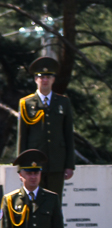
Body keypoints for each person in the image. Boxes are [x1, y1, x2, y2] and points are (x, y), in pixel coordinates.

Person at [16, 57, 75, 200]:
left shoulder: (63, 102)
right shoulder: (26, 103)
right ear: (36, 79)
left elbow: (68, 134)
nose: (44, 80)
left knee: (54, 202)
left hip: (57, 163)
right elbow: (22, 136)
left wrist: (69, 165)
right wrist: (21, 167)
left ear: (53, 80)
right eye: (41, 77)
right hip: (34, 165)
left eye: (48, 77)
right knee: (34, 202)